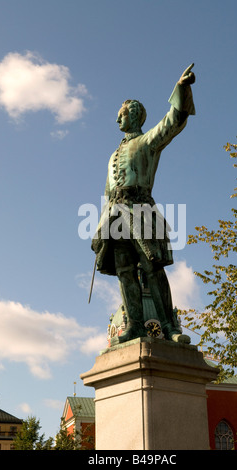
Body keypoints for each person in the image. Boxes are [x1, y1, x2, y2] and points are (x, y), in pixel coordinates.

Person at [92, 64, 196, 344]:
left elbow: (172, 122)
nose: (117, 120)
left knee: (151, 267)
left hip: (141, 209)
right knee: (125, 271)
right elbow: (107, 191)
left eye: (121, 114)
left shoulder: (147, 141)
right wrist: (102, 225)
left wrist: (181, 89)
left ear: (135, 115)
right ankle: (135, 325)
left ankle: (169, 327)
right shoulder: (112, 154)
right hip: (115, 214)